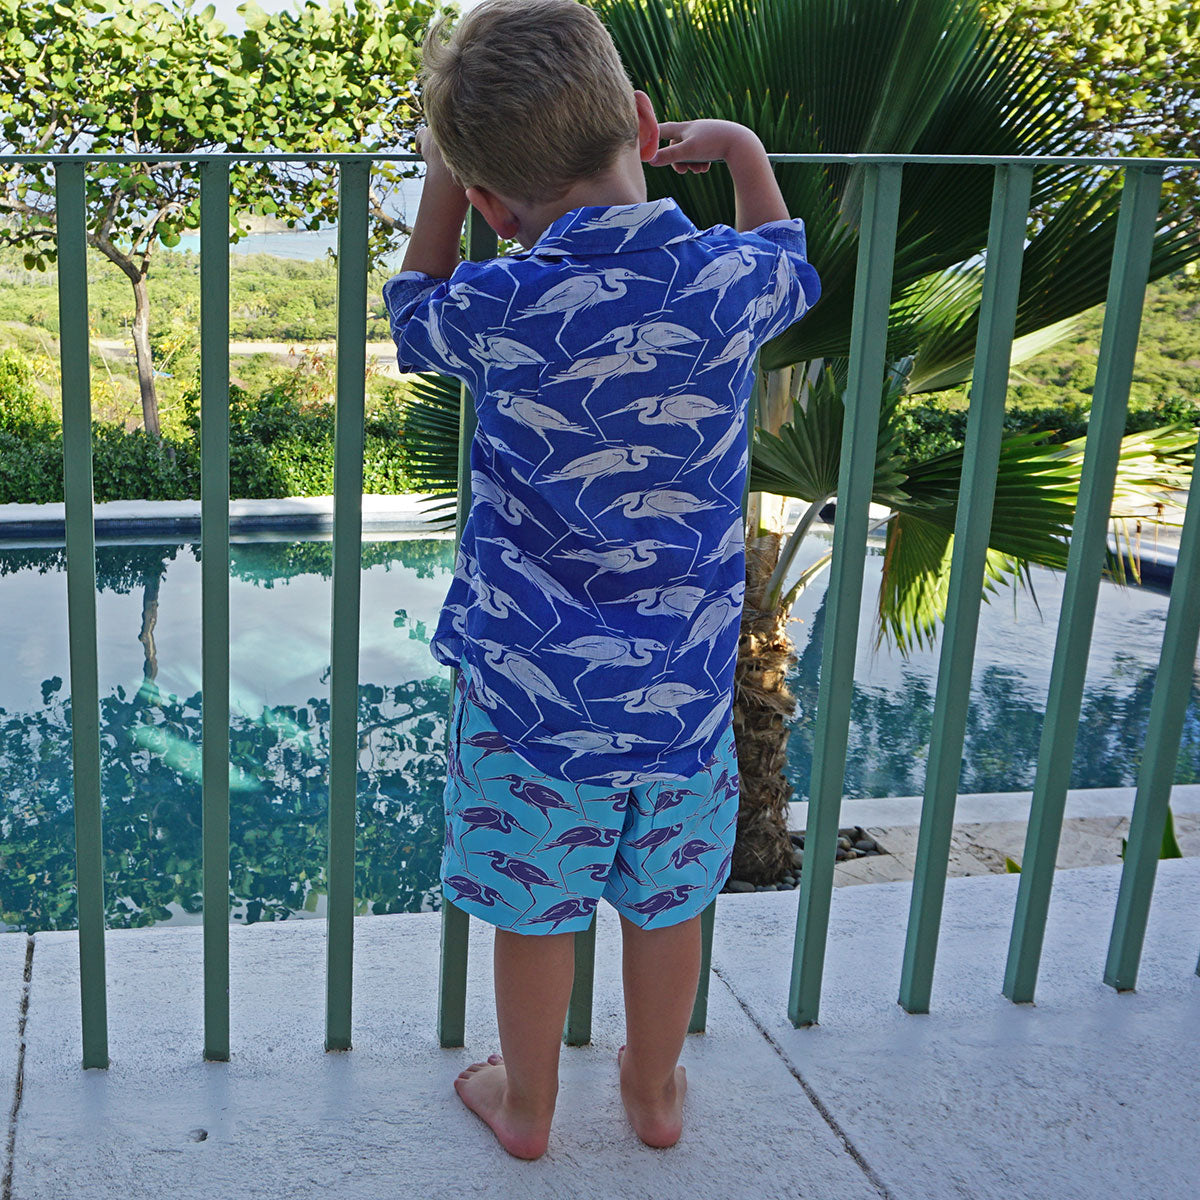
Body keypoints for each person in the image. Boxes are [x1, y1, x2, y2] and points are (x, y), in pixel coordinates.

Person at [382, 0, 819, 1160]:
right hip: (678, 697)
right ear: (637, 119)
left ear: (485, 202)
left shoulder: (499, 304)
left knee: (533, 907)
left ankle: (525, 1109)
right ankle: (657, 1089)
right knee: (670, 898)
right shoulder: (724, 282)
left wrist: (440, 184)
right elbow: (792, 264)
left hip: (530, 705)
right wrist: (739, 152)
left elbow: (412, 312)